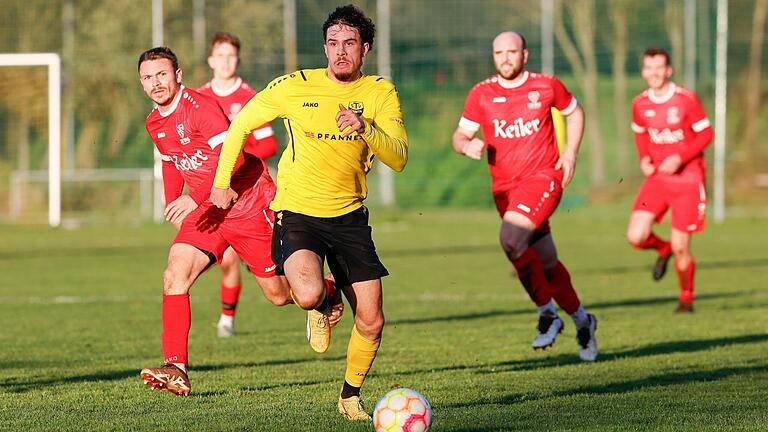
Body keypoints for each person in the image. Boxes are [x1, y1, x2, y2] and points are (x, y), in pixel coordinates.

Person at [210, 4, 408, 421]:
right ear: (324, 48)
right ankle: (325, 301)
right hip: (297, 212)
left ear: (365, 49)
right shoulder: (295, 85)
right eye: (333, 44)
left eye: (349, 44)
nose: (340, 52)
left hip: (350, 216)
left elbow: (400, 157)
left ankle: (350, 396)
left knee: (371, 321)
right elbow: (241, 124)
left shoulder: (379, 93)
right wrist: (221, 182)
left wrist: (367, 130)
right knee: (307, 294)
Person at [136, 46, 297, 396]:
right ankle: (176, 367)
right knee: (174, 274)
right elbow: (169, 160)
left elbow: (236, 159)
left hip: (248, 204)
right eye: (148, 78)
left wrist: (192, 197)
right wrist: (172, 204)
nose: (156, 83)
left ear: (178, 75)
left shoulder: (201, 108)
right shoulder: (154, 121)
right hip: (207, 211)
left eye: (162, 74)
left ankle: (326, 293)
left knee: (280, 295)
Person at [452, 31, 598, 362]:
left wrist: (571, 152)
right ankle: (583, 321)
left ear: (525, 55)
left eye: (512, 51)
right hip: (504, 190)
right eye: (498, 52)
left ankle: (547, 314)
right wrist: (465, 145)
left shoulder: (546, 86)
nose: (505, 58)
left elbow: (575, 113)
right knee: (546, 264)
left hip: (543, 178)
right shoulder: (481, 93)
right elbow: (459, 135)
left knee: (511, 240)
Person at [197, 32, 279, 338]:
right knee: (226, 260)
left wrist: (232, 163)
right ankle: (226, 321)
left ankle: (317, 296)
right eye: (220, 55)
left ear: (238, 60)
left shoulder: (249, 97)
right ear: (210, 60)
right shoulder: (199, 97)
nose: (225, 61)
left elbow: (268, 144)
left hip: (249, 193)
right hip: (214, 191)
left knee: (274, 284)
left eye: (231, 55)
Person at [627, 47, 712, 313]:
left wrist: (680, 157)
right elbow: (640, 134)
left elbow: (706, 134)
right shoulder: (639, 103)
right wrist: (643, 159)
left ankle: (686, 299)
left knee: (682, 247)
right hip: (658, 181)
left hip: (687, 179)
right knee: (636, 236)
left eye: (659, 67)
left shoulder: (686, 99)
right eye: (649, 68)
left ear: (668, 70)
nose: (654, 73)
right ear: (643, 71)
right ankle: (661, 248)